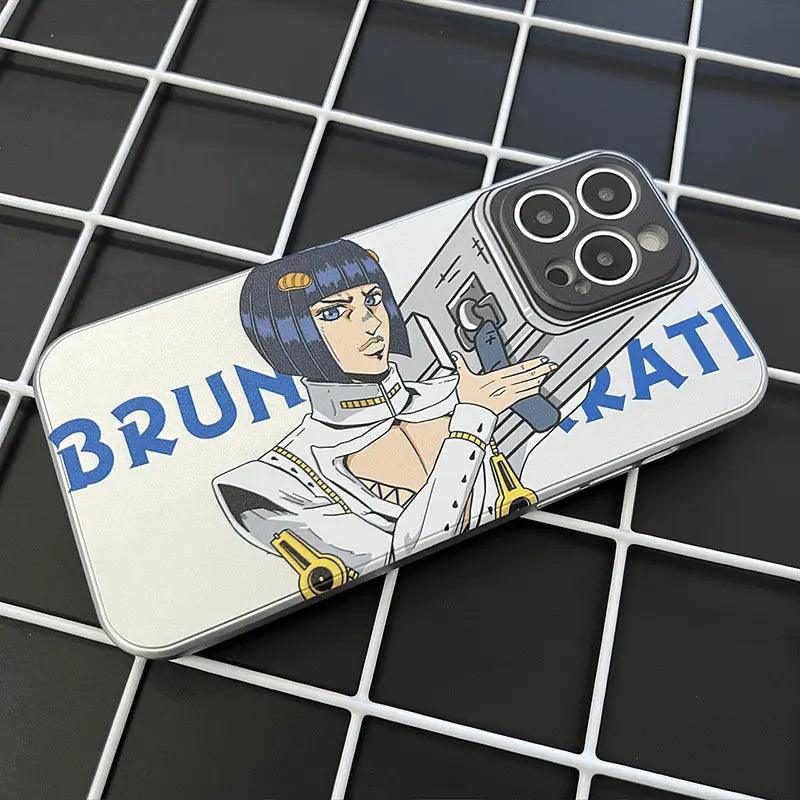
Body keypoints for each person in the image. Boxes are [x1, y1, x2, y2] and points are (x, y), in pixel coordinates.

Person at [214, 239, 555, 585]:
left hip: (538, 564)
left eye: (372, 299)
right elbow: (405, 552)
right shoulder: (265, 483)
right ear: (286, 333)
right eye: (333, 312)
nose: (369, 322)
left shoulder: (463, 391)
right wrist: (472, 421)